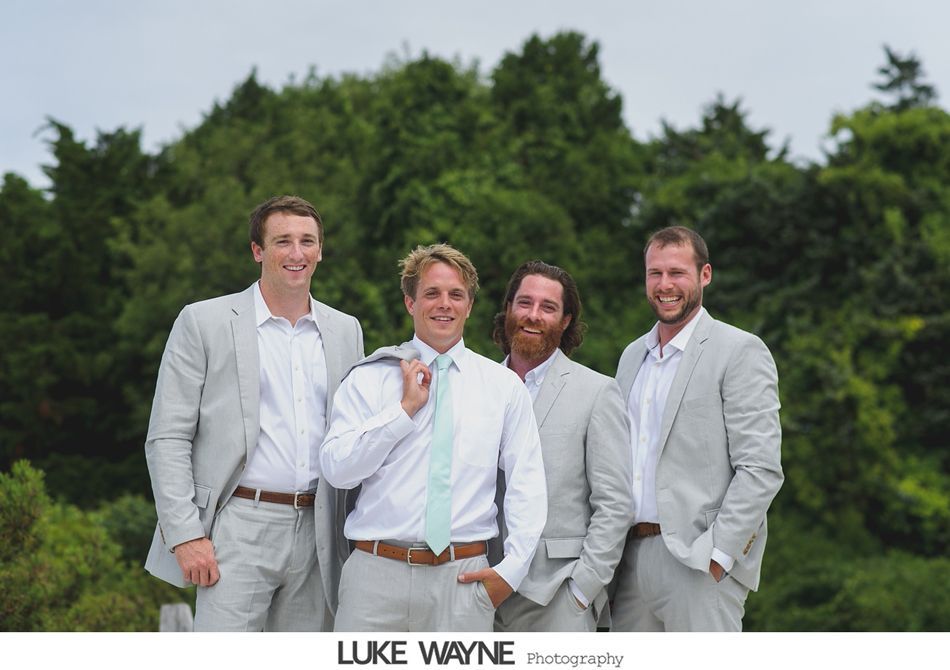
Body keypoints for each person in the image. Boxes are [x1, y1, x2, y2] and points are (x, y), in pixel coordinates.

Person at [143, 195, 364, 631]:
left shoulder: (345, 329)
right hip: (237, 525)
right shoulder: (202, 321)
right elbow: (167, 437)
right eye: (283, 241)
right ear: (257, 251)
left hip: (319, 529)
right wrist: (185, 534)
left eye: (307, 241)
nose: (297, 253)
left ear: (321, 250)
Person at [320, 243, 547, 632]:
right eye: (431, 294)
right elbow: (338, 470)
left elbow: (527, 486)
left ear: (470, 305)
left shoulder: (503, 387)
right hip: (375, 580)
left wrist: (510, 571)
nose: (444, 304)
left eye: (456, 295)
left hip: (463, 581)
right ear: (410, 303)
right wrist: (403, 411)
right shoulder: (370, 378)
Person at [611, 226, 784, 632]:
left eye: (677, 273)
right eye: (655, 273)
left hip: (697, 562)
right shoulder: (631, 356)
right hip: (628, 562)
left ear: (704, 275)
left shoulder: (740, 351)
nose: (664, 285)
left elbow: (760, 468)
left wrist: (719, 553)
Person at [490, 261, 633, 632]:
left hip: (556, 596)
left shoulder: (597, 392)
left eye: (548, 307)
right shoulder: (478, 385)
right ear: (508, 308)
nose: (533, 316)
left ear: (566, 320)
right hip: (480, 589)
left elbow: (615, 504)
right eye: (524, 303)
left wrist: (581, 592)